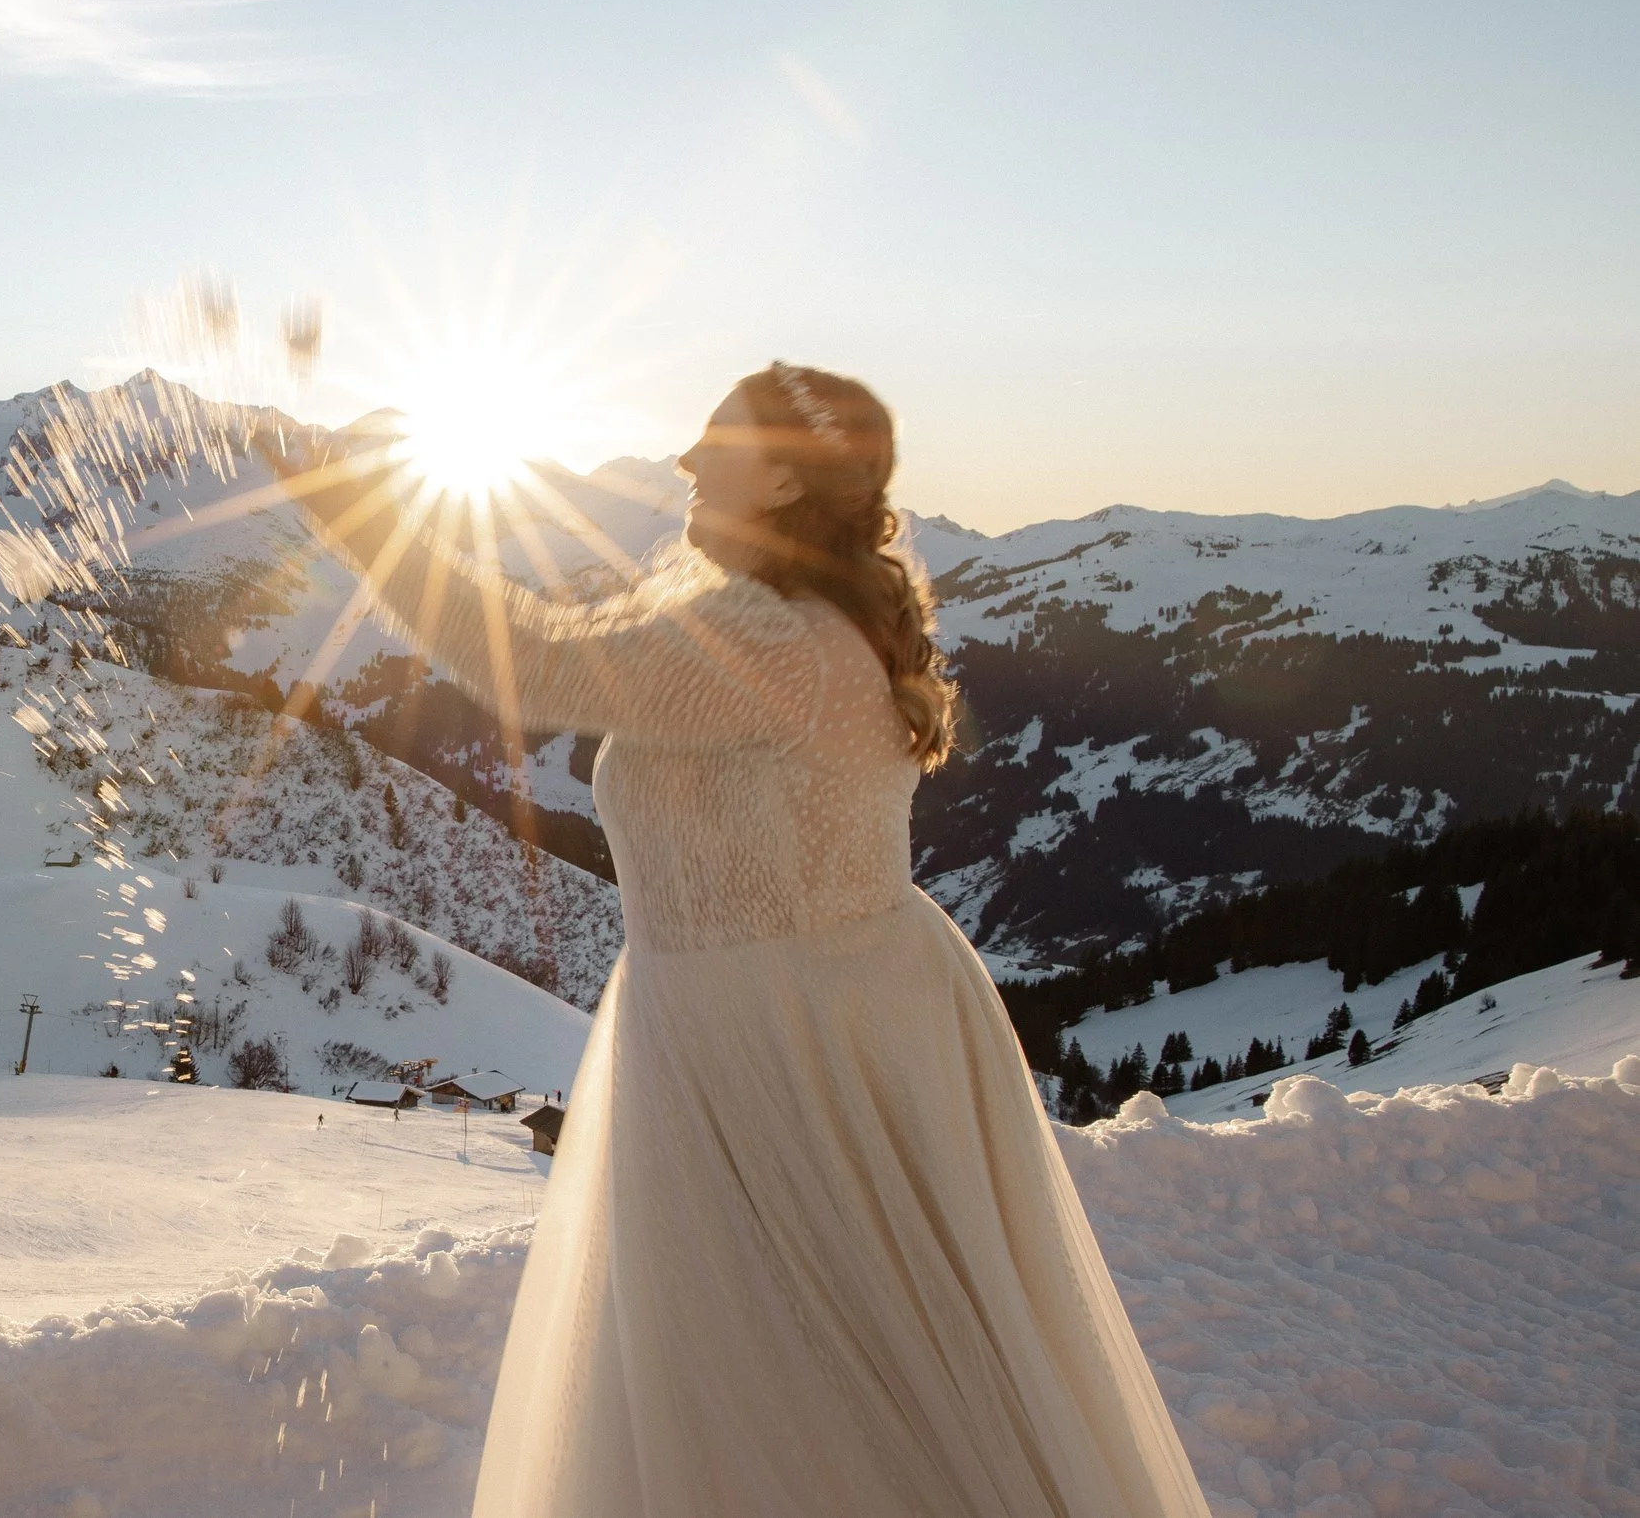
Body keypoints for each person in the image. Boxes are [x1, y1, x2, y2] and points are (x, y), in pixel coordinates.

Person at [271, 366, 1210, 1517]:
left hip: (784, 1043)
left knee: (812, 1377)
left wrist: (361, 508)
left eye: (713, 438)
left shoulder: (781, 642)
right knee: (823, 1373)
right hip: (780, 1015)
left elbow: (542, 658)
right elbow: (571, 643)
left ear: (779, 474)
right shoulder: (778, 623)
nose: (683, 461)